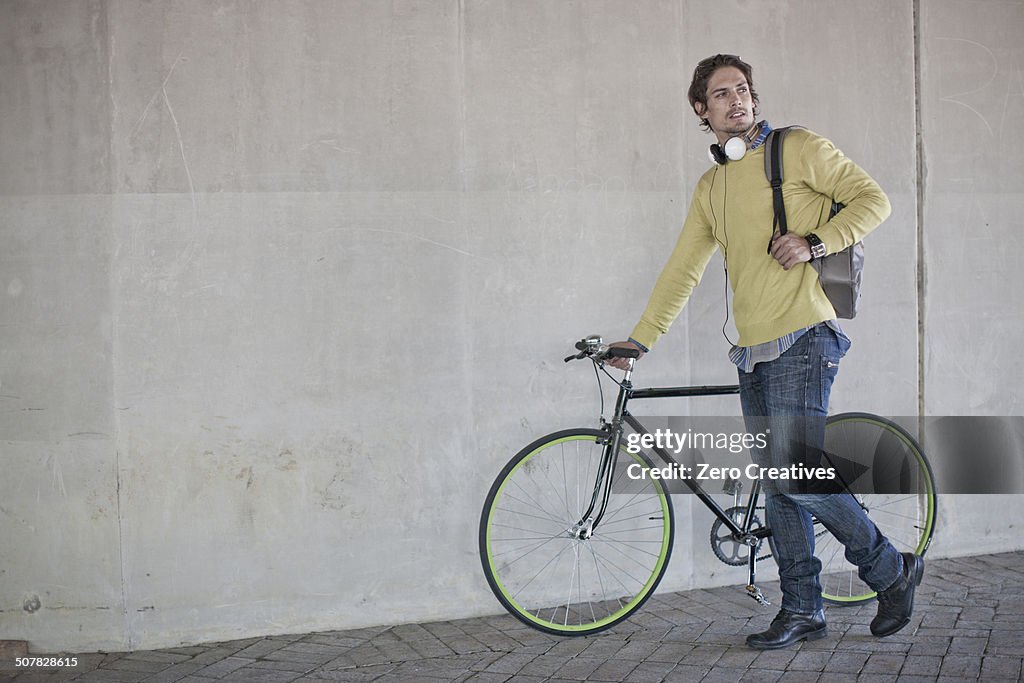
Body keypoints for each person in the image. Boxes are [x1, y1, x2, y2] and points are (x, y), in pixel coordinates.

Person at [607, 54, 924, 650]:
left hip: (805, 335)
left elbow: (873, 200)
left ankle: (890, 569)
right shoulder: (713, 186)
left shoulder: (797, 147)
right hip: (753, 350)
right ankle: (802, 609)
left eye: (744, 90)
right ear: (701, 110)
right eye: (722, 94)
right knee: (780, 486)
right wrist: (641, 338)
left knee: (793, 475)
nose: (738, 101)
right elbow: (683, 270)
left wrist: (814, 241)